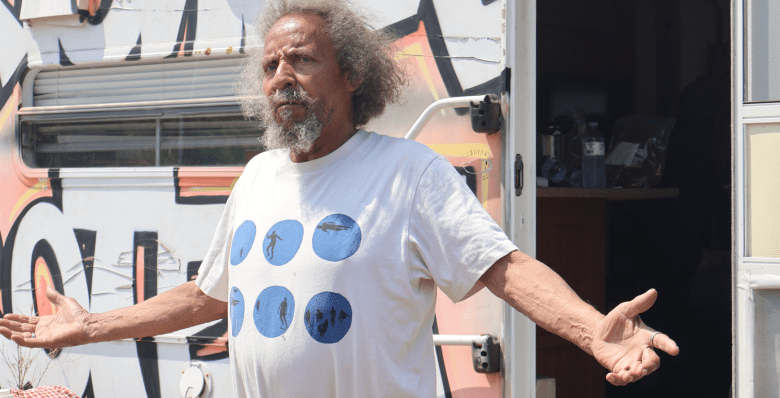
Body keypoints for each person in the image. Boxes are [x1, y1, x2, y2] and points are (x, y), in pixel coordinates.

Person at [0, 0, 679, 396]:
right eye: (270, 66)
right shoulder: (257, 177)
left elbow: (505, 269)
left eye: (301, 60)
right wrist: (92, 326)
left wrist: (592, 330)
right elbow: (208, 297)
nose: (281, 77)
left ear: (351, 73)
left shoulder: (408, 174)